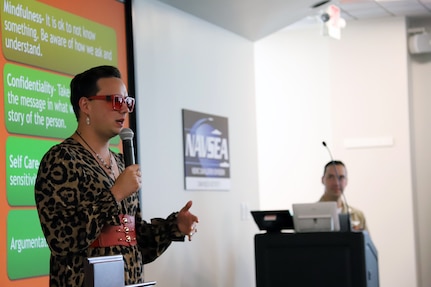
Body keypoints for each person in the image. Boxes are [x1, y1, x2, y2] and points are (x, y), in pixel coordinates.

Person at [34, 65, 199, 287]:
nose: (124, 110)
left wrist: (174, 226)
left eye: (127, 102)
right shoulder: (62, 159)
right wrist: (115, 193)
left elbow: (136, 242)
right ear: (86, 106)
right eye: (115, 101)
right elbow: (63, 239)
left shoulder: (122, 163)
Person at [319, 160, 367, 231]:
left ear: (346, 181)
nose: (336, 183)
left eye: (341, 177)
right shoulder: (310, 214)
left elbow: (367, 241)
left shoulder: (357, 216)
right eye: (331, 177)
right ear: (323, 180)